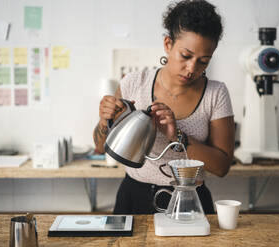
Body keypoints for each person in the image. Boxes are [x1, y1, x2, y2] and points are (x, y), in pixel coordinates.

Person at [93, 0, 235, 214]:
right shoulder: (134, 83)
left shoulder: (216, 93)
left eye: (203, 61)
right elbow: (100, 146)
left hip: (190, 201)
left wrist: (177, 136)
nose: (191, 69)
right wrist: (106, 119)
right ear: (168, 44)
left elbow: (222, 167)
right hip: (134, 198)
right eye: (186, 56)